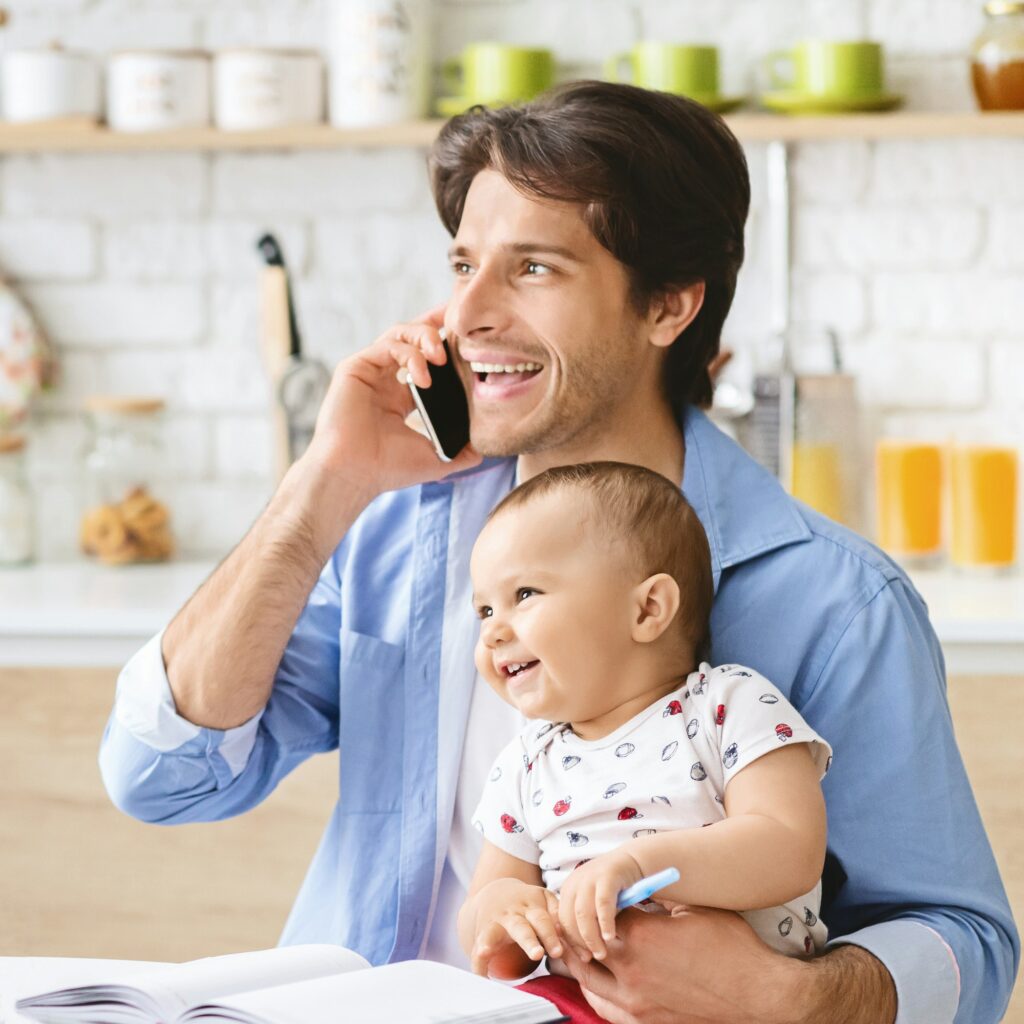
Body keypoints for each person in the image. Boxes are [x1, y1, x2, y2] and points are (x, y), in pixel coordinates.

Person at [98, 81, 1018, 1023]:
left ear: (668, 306)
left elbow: (969, 945)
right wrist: (323, 484)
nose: (467, 315)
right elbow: (161, 778)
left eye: (533, 268)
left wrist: (782, 995)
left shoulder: (834, 601)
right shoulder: (390, 531)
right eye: (463, 264)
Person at [459, 461, 833, 987]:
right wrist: (505, 914)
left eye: (524, 595)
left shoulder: (728, 706)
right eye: (483, 610)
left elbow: (790, 849)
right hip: (580, 1004)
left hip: (742, 1003)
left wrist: (641, 865)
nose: (494, 631)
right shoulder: (525, 763)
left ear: (648, 610)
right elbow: (489, 941)